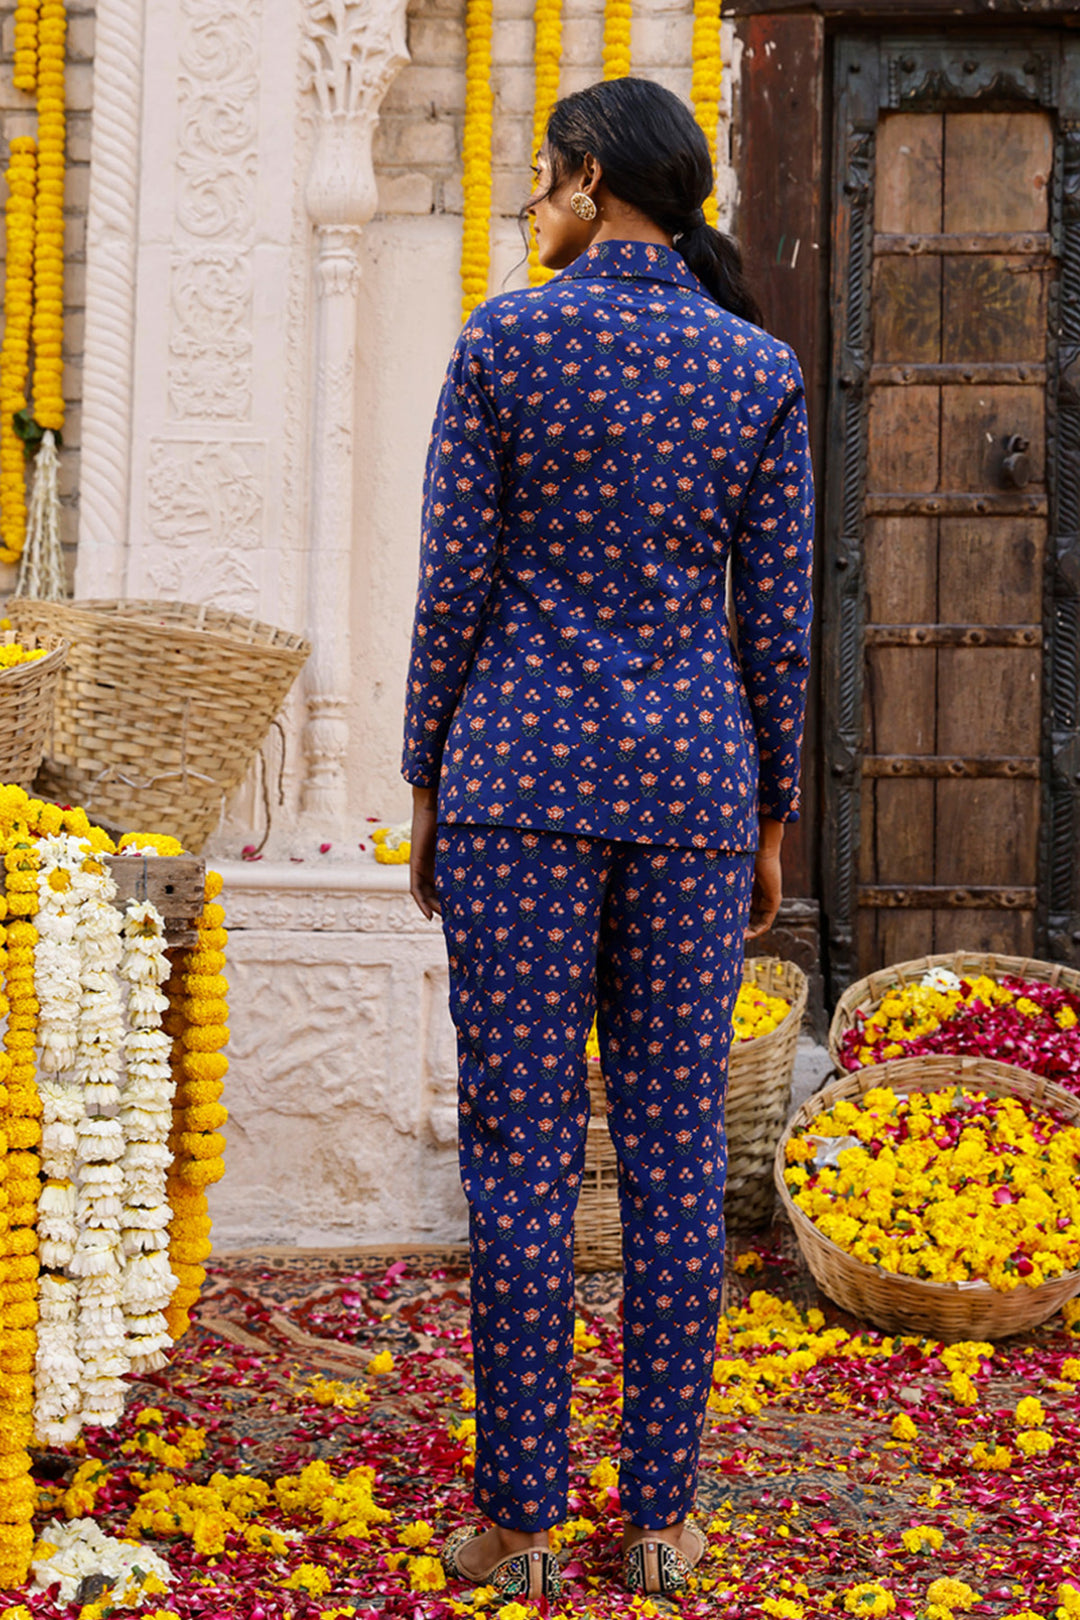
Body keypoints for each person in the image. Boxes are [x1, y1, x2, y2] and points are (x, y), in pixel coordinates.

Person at [402, 75, 813, 1601]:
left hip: (517, 778)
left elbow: (454, 589)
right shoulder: (756, 368)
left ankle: (517, 1516)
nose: (532, 201)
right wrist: (769, 817)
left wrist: (430, 784)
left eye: (541, 177)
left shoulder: (505, 340)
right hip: (695, 794)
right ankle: (664, 1513)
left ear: (586, 181)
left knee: (518, 1158)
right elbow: (776, 623)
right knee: (674, 1154)